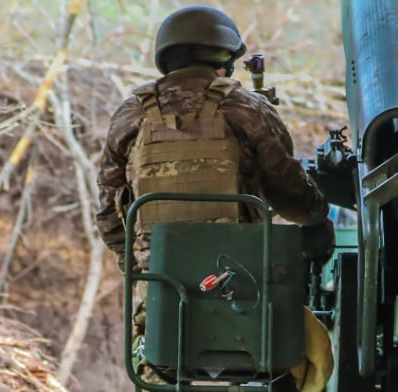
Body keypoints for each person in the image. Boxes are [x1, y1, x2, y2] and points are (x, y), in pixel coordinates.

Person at [95, 5, 330, 273]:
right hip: (241, 284)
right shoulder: (246, 108)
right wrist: (318, 217)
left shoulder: (131, 113)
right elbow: (290, 191)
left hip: (158, 288)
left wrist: (137, 271)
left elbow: (108, 214)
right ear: (222, 60)